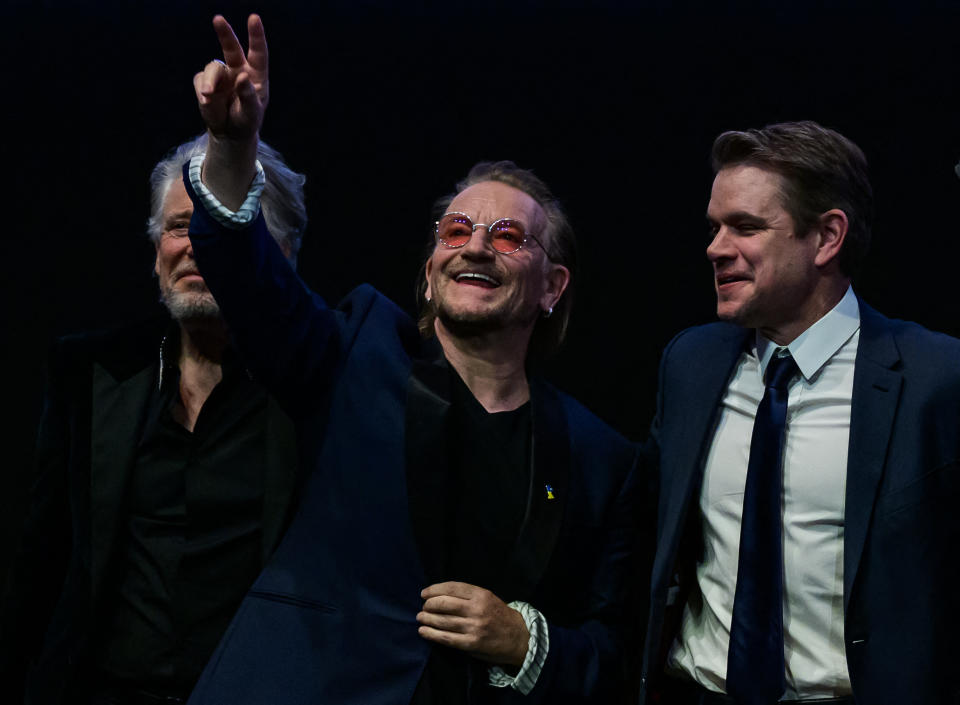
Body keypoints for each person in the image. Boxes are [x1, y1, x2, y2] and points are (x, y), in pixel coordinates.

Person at [177, 14, 642, 705]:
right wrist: (233, 145)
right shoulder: (354, 351)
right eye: (457, 230)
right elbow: (249, 280)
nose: (476, 245)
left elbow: (618, 653)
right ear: (429, 272)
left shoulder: (603, 457)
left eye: (508, 234)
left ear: (553, 286)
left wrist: (526, 640)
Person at [639, 120, 960, 704]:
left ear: (827, 237)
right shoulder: (690, 363)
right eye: (714, 227)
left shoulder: (938, 378)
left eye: (746, 227)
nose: (715, 248)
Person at [0, 134, 307, 704]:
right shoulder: (88, 374)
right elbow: (41, 564)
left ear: (280, 254)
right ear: (154, 249)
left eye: (223, 227)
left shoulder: (318, 390)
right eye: (178, 226)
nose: (195, 245)